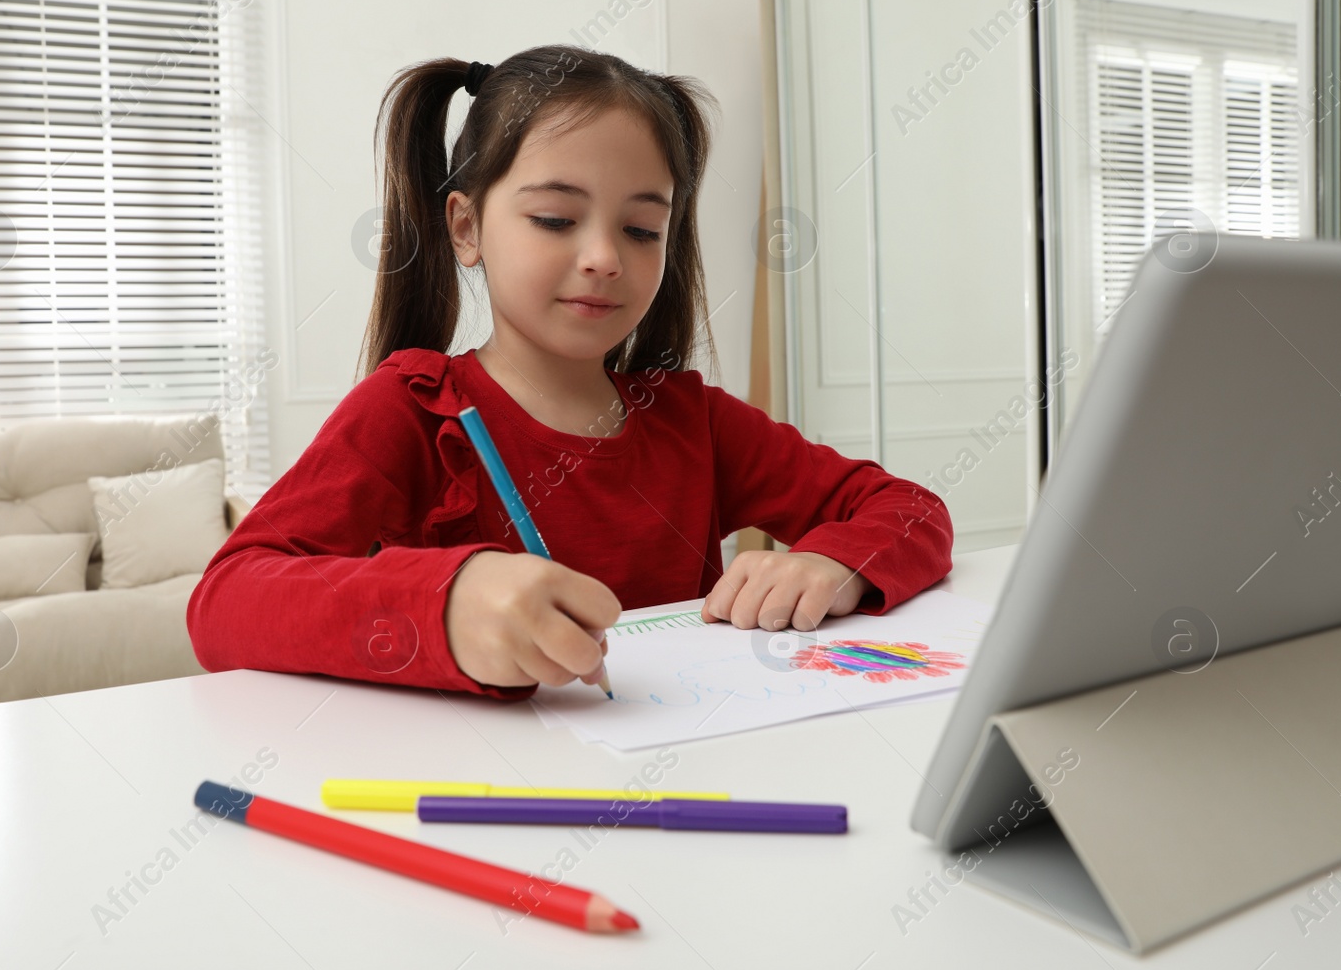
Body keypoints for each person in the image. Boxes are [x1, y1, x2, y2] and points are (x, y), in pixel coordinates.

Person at [187, 45, 953, 700]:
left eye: (642, 228)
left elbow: (911, 509)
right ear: (466, 227)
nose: (604, 257)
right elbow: (223, 604)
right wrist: (444, 604)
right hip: (484, 793)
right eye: (555, 219)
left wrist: (836, 562)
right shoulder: (413, 409)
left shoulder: (694, 418)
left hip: (673, 779)